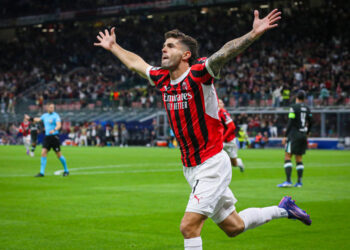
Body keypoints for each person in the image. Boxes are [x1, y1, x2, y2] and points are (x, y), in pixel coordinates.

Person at [94, 9, 311, 250]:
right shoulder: (162, 78)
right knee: (234, 226)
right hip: (191, 168)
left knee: (188, 227)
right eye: (163, 46)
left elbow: (224, 52)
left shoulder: (199, 73)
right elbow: (138, 64)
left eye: (170, 46)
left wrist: (253, 33)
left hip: (212, 165)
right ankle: (283, 209)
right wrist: (114, 46)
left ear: (186, 54)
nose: (163, 49)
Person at [278, 90, 312, 188]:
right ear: (304, 98)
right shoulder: (307, 108)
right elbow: (311, 121)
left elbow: (291, 122)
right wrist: (308, 132)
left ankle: (288, 181)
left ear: (296, 97)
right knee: (299, 158)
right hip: (303, 134)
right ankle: (299, 182)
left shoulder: (293, 108)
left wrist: (285, 136)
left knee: (287, 156)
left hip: (294, 135)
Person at [33, 103, 69, 177]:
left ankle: (66, 170)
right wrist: (29, 118)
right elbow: (38, 119)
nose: (52, 108)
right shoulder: (45, 115)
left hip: (54, 137)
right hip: (47, 137)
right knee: (43, 152)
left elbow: (59, 125)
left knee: (59, 155)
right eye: (51, 107)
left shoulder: (56, 116)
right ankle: (42, 172)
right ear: (47, 108)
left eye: (53, 107)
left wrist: (54, 129)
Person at [218, 99, 244, 172]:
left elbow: (232, 126)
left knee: (234, 163)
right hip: (220, 141)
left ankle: (239, 162)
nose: (220, 104)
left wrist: (223, 138)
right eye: (218, 103)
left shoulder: (223, 113)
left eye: (221, 103)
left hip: (229, 141)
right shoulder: (214, 113)